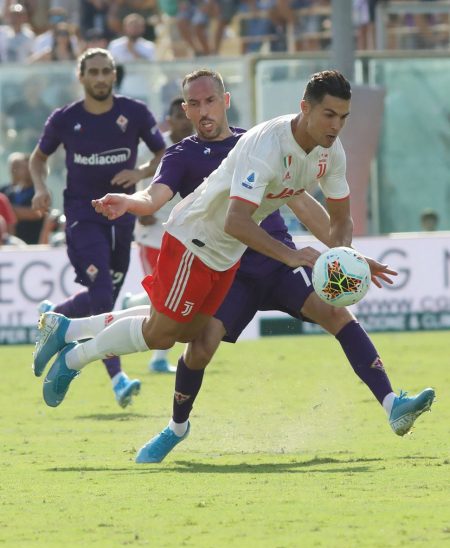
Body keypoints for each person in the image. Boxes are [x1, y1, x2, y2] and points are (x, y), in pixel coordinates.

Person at [34, 70, 435, 464]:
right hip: (203, 247)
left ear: (225, 102)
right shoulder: (241, 148)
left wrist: (345, 258)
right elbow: (202, 211)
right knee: (175, 338)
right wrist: (131, 202)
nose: (336, 125)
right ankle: (144, 404)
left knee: (331, 314)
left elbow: (318, 211)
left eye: (343, 117)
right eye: (329, 115)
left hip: (257, 256)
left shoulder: (321, 149)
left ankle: (392, 403)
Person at [29, 47, 166, 408]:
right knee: (103, 291)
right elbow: (38, 159)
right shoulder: (65, 118)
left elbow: (163, 153)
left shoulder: (134, 112)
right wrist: (41, 188)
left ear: (114, 75)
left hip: (122, 215)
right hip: (82, 215)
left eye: (107, 71)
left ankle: (55, 315)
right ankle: (118, 379)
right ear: (81, 76)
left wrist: (139, 172)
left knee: (105, 299)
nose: (101, 77)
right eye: (94, 72)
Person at [125, 96, 194, 373]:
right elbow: (136, 179)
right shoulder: (153, 150)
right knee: (166, 297)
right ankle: (158, 359)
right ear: (169, 120)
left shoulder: (201, 146)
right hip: (153, 232)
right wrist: (139, 208)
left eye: (186, 114)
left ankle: (133, 302)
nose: (184, 120)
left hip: (186, 233)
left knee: (177, 294)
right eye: (178, 115)